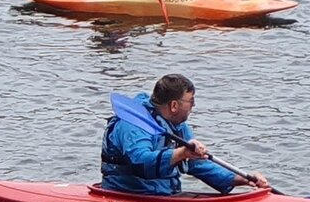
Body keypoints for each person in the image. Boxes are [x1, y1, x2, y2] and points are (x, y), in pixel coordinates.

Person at [101, 74, 269, 195]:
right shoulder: (132, 125)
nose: (193, 106)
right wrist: (181, 153)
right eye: (191, 101)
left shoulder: (178, 126)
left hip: (164, 193)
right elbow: (141, 162)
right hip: (129, 193)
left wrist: (240, 179)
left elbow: (196, 164)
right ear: (174, 105)